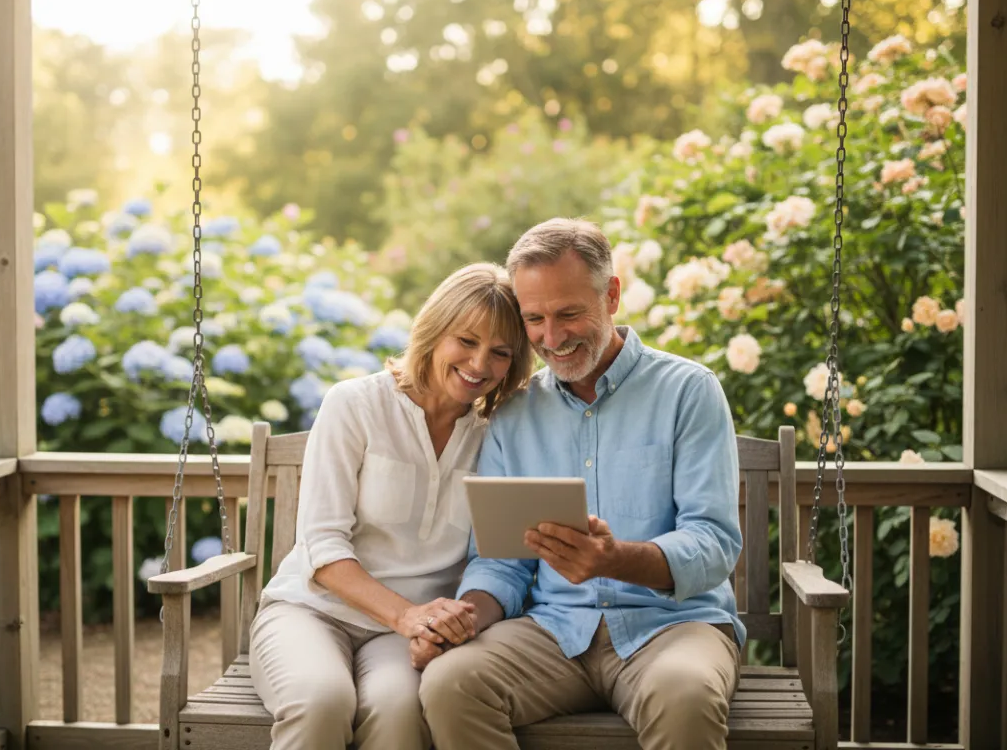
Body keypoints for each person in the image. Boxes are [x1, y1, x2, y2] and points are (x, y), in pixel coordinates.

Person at [417, 218, 745, 750]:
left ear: (611, 295)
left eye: (570, 313)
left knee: (685, 694)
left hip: (673, 629)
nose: (553, 338)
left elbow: (713, 543)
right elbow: (499, 560)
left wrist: (616, 558)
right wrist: (463, 618)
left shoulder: (688, 392)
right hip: (552, 632)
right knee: (451, 684)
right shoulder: (515, 412)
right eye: (535, 319)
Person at [249, 262, 535, 750]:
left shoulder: (497, 435)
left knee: (399, 711)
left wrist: (439, 624)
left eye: (500, 352)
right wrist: (407, 616)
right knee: (321, 701)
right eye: (466, 341)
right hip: (311, 612)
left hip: (405, 636)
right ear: (433, 331)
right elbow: (322, 544)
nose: (480, 364)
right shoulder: (355, 404)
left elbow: (496, 558)